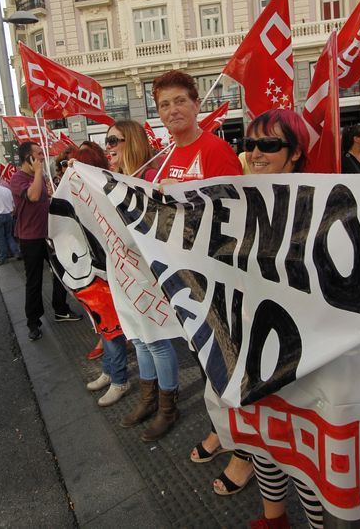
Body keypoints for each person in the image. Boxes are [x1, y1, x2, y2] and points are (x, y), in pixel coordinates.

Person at [244, 109, 360, 528]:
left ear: (296, 152)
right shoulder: (232, 199)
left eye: (268, 145)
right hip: (254, 346)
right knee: (264, 443)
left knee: (307, 455)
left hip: (312, 352)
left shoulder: (325, 201)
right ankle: (273, 519)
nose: (256, 153)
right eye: (249, 144)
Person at [152, 70, 250, 495]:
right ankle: (221, 431)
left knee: (232, 366)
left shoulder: (214, 150)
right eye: (163, 105)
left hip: (220, 278)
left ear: (196, 105)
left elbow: (237, 214)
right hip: (187, 282)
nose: (172, 110)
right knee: (208, 362)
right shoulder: (165, 157)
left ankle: (246, 454)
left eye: (179, 101)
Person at [104, 119, 184, 438]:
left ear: (132, 142)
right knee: (136, 336)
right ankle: (148, 399)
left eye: (114, 141)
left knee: (155, 338)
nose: (108, 147)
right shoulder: (112, 179)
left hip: (147, 270)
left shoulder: (150, 177)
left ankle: (168, 407)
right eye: (107, 142)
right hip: (121, 267)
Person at [65, 141, 133, 407]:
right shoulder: (86, 190)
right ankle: (111, 372)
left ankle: (119, 379)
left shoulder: (108, 189)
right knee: (105, 326)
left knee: (113, 328)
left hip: (112, 269)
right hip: (97, 269)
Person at [10, 141, 81, 342]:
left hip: (49, 235)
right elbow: (32, 196)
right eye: (39, 154)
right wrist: (39, 172)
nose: (42, 156)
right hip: (30, 238)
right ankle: (33, 322)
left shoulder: (37, 177)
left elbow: (44, 199)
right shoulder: (18, 179)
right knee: (34, 281)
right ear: (29, 158)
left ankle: (61, 309)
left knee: (61, 273)